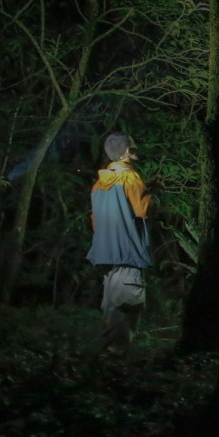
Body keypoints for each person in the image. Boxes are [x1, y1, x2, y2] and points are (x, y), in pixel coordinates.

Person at [86, 133, 152, 356]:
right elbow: (144, 210)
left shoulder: (98, 184)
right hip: (129, 255)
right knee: (125, 313)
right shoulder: (131, 178)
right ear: (126, 152)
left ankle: (102, 364)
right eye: (132, 149)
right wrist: (152, 194)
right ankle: (114, 367)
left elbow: (96, 222)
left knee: (111, 312)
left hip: (107, 258)